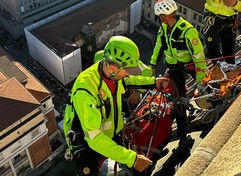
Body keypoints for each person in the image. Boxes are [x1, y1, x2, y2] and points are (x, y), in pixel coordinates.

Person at [66, 36, 169, 175]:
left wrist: (153, 82)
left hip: (112, 133)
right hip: (87, 145)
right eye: (127, 70)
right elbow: (95, 138)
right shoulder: (85, 90)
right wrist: (132, 159)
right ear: (114, 67)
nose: (128, 74)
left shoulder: (111, 74)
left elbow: (130, 80)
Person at [149, 0, 207, 150]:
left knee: (207, 86)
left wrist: (200, 80)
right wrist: (153, 64)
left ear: (165, 15)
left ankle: (215, 104)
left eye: (160, 16)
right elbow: (159, 46)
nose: (160, 19)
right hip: (174, 68)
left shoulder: (188, 31)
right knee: (179, 101)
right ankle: (182, 135)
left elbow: (199, 57)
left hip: (189, 65)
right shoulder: (164, 28)